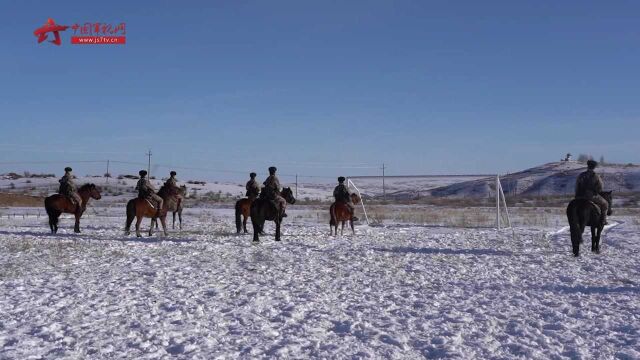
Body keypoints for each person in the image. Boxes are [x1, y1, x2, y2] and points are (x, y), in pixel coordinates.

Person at [575, 160, 608, 224]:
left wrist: (577, 196)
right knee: (605, 204)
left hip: (580, 196)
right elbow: (600, 187)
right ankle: (603, 220)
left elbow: (577, 186)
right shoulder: (596, 176)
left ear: (588, 166)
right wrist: (596, 191)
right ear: (594, 167)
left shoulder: (581, 175)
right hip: (591, 196)